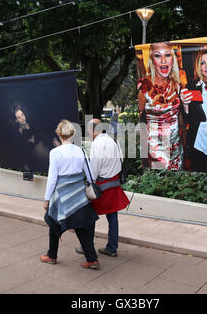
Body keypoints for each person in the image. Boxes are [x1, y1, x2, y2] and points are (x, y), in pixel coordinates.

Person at [41, 119, 100, 269]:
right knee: (80, 225)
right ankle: (92, 259)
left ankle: (51, 255)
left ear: (59, 134)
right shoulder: (80, 150)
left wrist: (47, 199)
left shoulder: (55, 153)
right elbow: (90, 174)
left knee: (53, 221)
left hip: (61, 195)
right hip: (79, 195)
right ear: (72, 134)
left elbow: (52, 179)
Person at [75, 119, 129, 257]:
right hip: (114, 185)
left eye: (88, 130)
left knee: (90, 217)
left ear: (93, 131)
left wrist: (90, 184)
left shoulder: (97, 144)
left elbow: (94, 169)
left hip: (101, 187)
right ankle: (112, 247)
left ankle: (87, 247)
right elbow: (121, 160)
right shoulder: (113, 141)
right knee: (113, 218)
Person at [137, 42, 184, 170]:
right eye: (158, 56)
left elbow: (181, 118)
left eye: (167, 55)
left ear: (172, 60)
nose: (163, 60)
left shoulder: (177, 85)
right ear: (152, 61)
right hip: (154, 152)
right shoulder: (144, 88)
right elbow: (142, 119)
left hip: (175, 150)